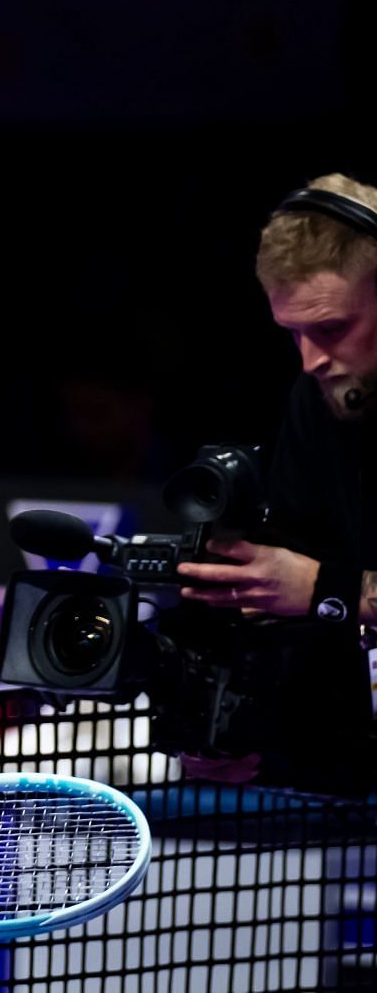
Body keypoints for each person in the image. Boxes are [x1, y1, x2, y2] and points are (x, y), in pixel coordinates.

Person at [175, 173, 377, 788]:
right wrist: (234, 729)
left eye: (333, 328)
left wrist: (323, 587)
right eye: (293, 332)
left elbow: (318, 587)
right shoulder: (316, 401)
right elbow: (303, 613)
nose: (311, 358)